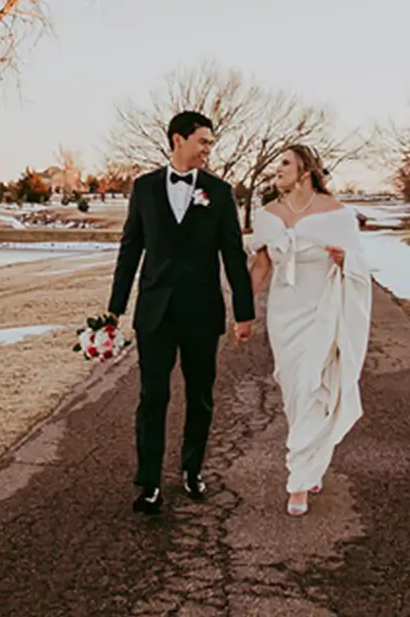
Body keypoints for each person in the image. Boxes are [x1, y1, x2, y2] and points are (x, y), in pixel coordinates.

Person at [107, 111, 255, 516]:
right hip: (154, 312)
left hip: (202, 312)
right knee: (152, 397)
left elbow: (233, 257)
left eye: (210, 143)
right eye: (203, 141)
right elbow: (130, 251)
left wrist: (245, 312)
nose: (208, 149)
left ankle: (191, 471)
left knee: (200, 397)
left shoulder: (220, 193)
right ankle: (149, 483)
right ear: (178, 139)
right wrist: (114, 310)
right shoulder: (144, 188)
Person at [248, 145, 372, 517]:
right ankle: (312, 459)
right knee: (293, 391)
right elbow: (261, 267)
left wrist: (344, 259)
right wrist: (241, 313)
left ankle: (299, 483)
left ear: (305, 170)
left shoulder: (338, 215)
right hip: (284, 313)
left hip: (323, 310)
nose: (278, 170)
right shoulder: (268, 215)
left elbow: (359, 264)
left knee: (313, 387)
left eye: (285, 163)